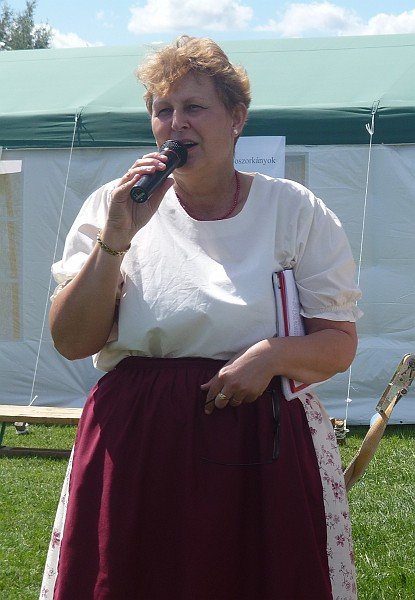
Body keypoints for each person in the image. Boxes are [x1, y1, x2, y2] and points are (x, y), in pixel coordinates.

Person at [40, 35, 361, 600]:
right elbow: (71, 340)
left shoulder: (294, 210)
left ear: (237, 118)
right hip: (139, 441)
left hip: (260, 440)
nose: (176, 123)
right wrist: (115, 239)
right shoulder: (114, 206)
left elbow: (338, 343)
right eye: (162, 110)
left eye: (194, 107)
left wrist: (272, 356)